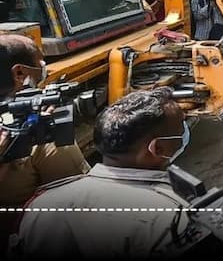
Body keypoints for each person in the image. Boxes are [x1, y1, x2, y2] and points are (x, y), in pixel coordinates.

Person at [10, 88, 192, 258]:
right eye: (181, 127)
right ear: (157, 148)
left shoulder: (41, 205)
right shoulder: (172, 215)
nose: (184, 130)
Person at [0, 35, 90, 251]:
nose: (44, 68)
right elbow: (79, 198)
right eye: (41, 63)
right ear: (19, 72)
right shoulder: (38, 136)